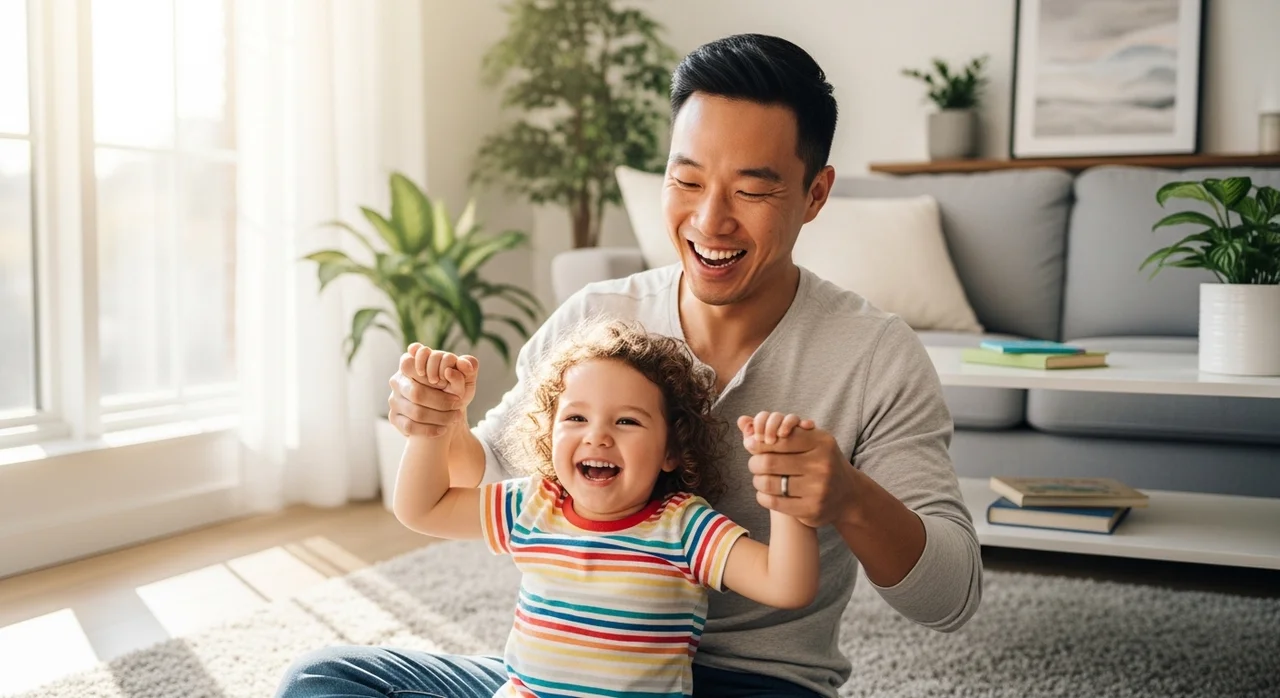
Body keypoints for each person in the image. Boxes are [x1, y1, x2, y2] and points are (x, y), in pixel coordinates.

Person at [276, 32, 982, 698]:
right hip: (570, 673)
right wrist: (437, 426)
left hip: (758, 683)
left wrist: (848, 497)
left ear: (815, 195)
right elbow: (489, 472)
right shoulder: (595, 314)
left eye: (753, 189)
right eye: (688, 181)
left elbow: (949, 599)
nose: (711, 220)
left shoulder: (875, 353)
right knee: (323, 680)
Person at [392, 320, 820, 697]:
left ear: (671, 450)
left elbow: (787, 586)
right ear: (549, 432)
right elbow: (422, 510)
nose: (597, 436)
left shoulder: (683, 526)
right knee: (331, 675)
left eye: (627, 421)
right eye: (576, 418)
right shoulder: (532, 504)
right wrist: (435, 426)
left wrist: (784, 492)